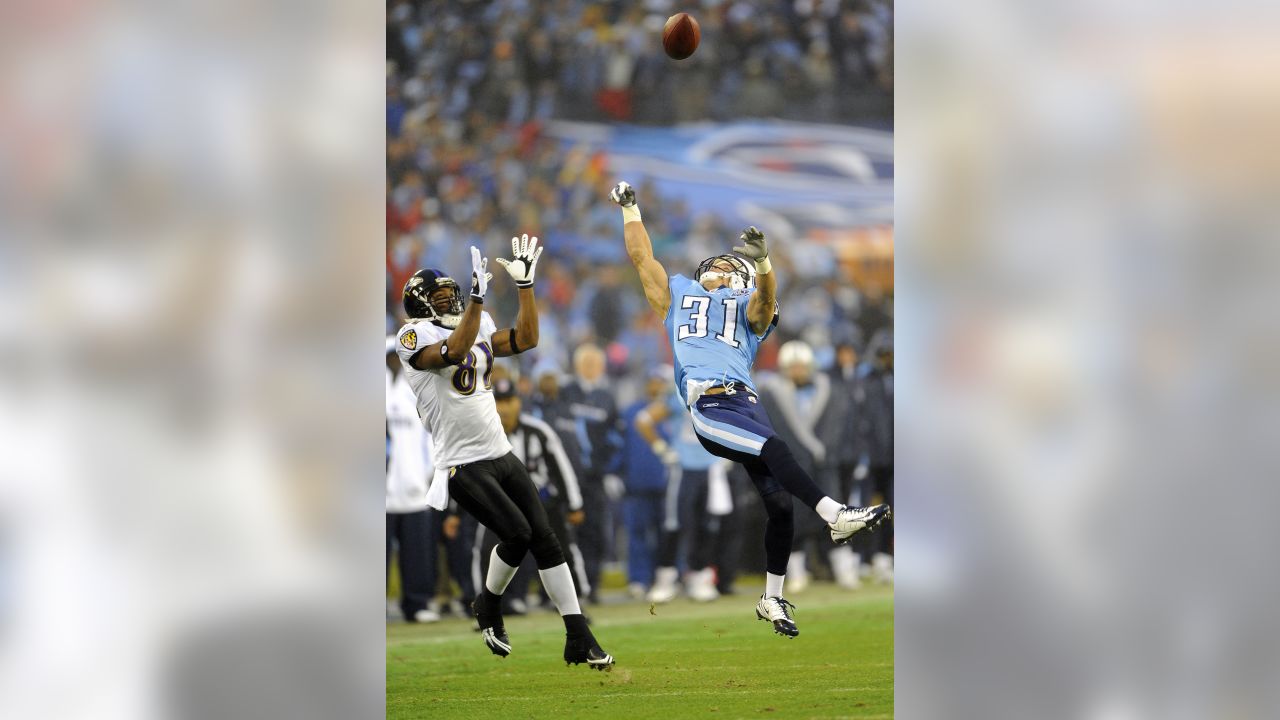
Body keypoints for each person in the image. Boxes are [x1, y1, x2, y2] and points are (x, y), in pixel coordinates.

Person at [609, 181, 890, 638]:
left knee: (779, 503)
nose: (718, 266)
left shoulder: (747, 305)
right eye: (714, 263)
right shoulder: (677, 294)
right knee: (775, 446)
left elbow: (763, 305)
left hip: (746, 401)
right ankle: (833, 514)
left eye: (728, 263)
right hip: (709, 401)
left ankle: (771, 597)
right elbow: (643, 259)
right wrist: (631, 210)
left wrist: (762, 263)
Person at [394, 235, 613, 670]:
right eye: (440, 297)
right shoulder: (410, 336)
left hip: (499, 450)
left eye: (453, 293)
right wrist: (476, 301)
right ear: (420, 305)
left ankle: (578, 635)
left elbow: (527, 338)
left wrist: (526, 287)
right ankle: (488, 605)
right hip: (461, 462)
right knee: (517, 534)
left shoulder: (479, 320)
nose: (451, 301)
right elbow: (454, 351)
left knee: (546, 539)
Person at [758, 340, 862, 591]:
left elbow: (837, 426)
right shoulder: (772, 393)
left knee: (836, 515)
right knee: (792, 517)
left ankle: (844, 570)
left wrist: (825, 450)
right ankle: (795, 573)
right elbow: (773, 429)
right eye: (792, 367)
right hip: (790, 465)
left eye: (801, 366)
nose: (797, 371)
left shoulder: (829, 389)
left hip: (824, 462)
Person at [481, 378, 591, 611]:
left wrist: (574, 504)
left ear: (518, 402)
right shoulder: (483, 434)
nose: (504, 408)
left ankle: (576, 599)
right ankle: (492, 605)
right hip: (502, 506)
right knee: (489, 551)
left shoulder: (538, 431)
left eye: (509, 400)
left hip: (541, 503)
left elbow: (561, 468)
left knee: (561, 548)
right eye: (498, 401)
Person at [386, 339, 440, 623]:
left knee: (417, 553)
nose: (395, 361)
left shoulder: (417, 391)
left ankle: (417, 603)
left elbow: (430, 435)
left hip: (414, 488)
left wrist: (426, 474)